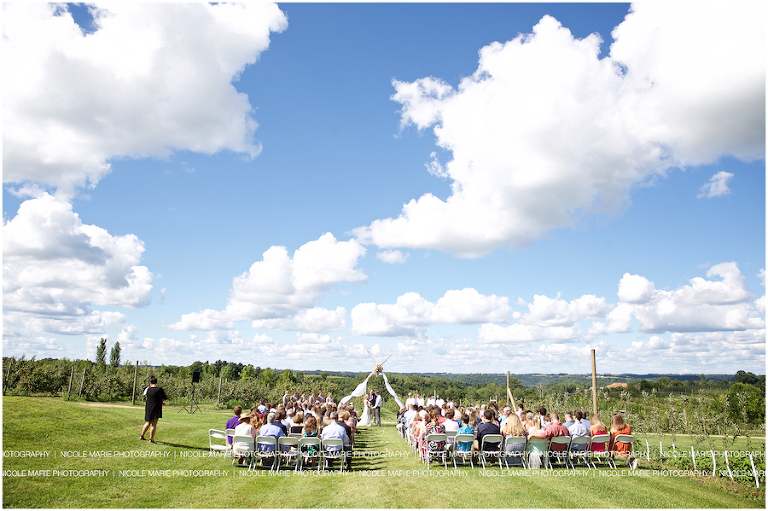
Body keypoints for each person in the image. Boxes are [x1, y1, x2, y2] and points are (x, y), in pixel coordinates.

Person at [140, 376, 167, 444]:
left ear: (150, 383)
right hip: (156, 407)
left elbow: (145, 395)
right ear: (156, 382)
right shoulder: (159, 389)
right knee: (154, 423)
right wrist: (162, 401)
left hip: (148, 407)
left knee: (148, 422)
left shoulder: (148, 389)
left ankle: (142, 435)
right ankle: (151, 439)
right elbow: (164, 397)